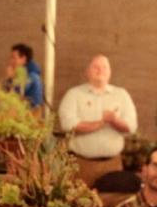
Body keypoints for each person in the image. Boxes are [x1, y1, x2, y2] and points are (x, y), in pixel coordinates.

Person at [58, 54, 138, 187]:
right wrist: (102, 123)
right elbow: (68, 125)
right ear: (87, 72)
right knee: (80, 203)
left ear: (110, 72)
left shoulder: (121, 95)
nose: (100, 70)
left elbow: (131, 127)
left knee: (111, 204)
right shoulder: (74, 94)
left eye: (104, 67)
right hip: (81, 165)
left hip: (112, 165)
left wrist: (114, 121)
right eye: (96, 67)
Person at [2, 42, 43, 109]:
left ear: (23, 58)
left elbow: (15, 93)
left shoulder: (32, 76)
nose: (11, 61)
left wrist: (10, 78)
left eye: (14, 58)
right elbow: (4, 93)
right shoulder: (21, 73)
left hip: (29, 115)